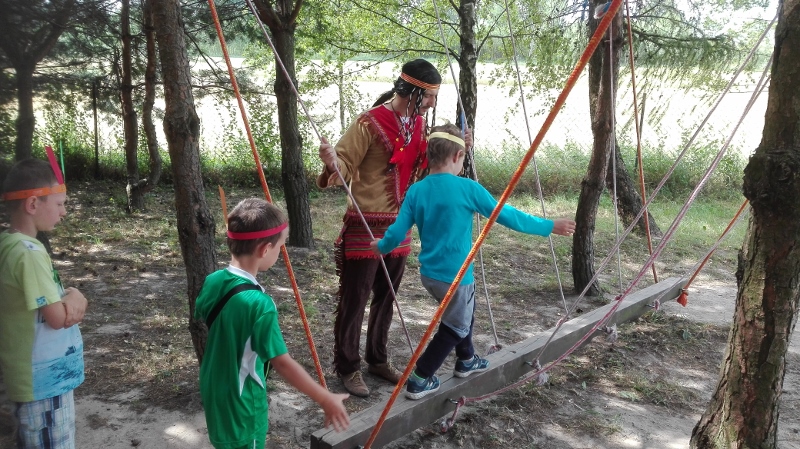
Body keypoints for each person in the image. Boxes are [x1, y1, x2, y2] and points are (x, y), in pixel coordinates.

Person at [370, 124, 576, 399]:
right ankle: (420, 378)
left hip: (430, 276)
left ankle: (466, 359)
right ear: (457, 156)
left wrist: (381, 246)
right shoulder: (468, 189)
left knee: (464, 310)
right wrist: (548, 226)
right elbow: (507, 215)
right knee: (456, 325)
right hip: (456, 277)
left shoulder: (417, 191)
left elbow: (397, 232)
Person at [317, 59, 465, 397]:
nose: (432, 103)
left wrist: (459, 146)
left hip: (399, 224)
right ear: (412, 92)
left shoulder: (420, 125)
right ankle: (348, 366)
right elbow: (345, 163)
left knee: (387, 297)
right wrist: (333, 162)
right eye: (429, 96)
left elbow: (430, 165)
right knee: (355, 298)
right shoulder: (369, 123)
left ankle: (377, 359)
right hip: (366, 225)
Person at [194, 198, 349, 449]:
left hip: (215, 388)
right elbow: (282, 363)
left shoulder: (213, 281)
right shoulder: (259, 305)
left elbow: (204, 312)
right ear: (265, 249)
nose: (281, 251)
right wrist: (325, 398)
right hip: (243, 403)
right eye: (281, 246)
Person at [0, 158, 88, 448]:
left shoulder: (7, 243)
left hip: (28, 381)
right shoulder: (29, 253)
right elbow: (59, 317)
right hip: (44, 386)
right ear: (33, 204)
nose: (64, 212)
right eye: (60, 204)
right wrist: (75, 296)